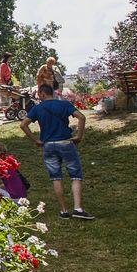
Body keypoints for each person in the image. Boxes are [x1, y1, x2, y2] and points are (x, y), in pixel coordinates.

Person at [19, 84, 93, 220]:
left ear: (42, 94)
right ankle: (78, 208)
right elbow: (81, 117)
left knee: (56, 177)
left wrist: (36, 140)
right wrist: (79, 136)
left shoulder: (37, 108)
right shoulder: (64, 105)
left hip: (48, 145)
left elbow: (23, 124)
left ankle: (64, 210)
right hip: (65, 142)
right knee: (75, 175)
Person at [0, 53, 14, 119]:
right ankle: (4, 113)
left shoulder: (7, 65)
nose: (11, 59)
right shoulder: (3, 65)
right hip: (4, 84)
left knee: (0, 99)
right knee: (6, 97)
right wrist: (4, 84)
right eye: (10, 57)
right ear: (7, 57)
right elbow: (2, 75)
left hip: (7, 83)